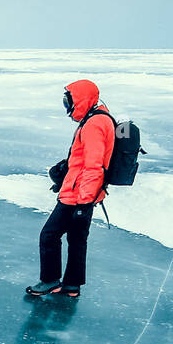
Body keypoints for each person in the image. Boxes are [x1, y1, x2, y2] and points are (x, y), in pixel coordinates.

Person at [27, 79, 115, 299]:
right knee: (77, 239)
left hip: (78, 196)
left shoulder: (94, 124)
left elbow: (94, 166)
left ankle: (50, 281)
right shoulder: (98, 119)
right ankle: (72, 285)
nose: (68, 107)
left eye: (69, 101)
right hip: (86, 192)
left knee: (49, 235)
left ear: (81, 99)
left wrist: (83, 203)